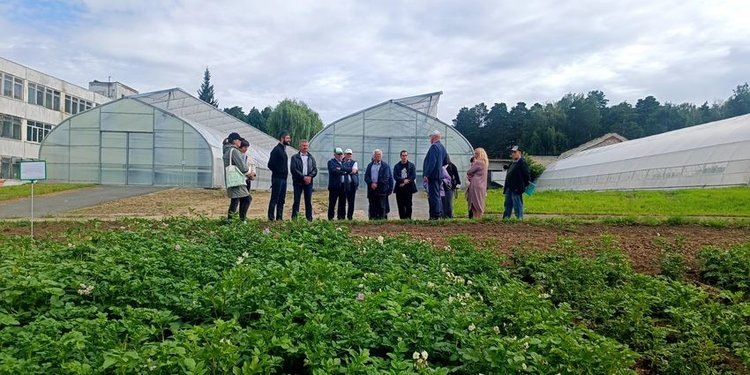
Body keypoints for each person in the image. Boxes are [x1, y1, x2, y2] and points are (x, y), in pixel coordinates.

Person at [223, 132, 251, 222]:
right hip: (236, 180)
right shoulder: (234, 151)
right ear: (235, 141)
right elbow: (243, 167)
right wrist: (249, 173)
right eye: (239, 140)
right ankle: (241, 220)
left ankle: (230, 221)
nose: (240, 142)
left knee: (235, 200)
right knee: (247, 198)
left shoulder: (226, 150)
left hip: (231, 179)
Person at [423, 130, 449, 220]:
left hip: (433, 176)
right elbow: (446, 160)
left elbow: (432, 162)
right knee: (438, 195)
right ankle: (439, 214)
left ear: (434, 137)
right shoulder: (442, 147)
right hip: (439, 175)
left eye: (431, 137)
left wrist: (427, 174)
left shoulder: (434, 147)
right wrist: (439, 166)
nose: (430, 139)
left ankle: (436, 215)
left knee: (434, 196)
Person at [290, 139, 317, 221]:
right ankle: (294, 219)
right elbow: (293, 169)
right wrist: (303, 177)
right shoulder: (294, 157)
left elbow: (315, 169)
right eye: (304, 146)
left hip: (309, 182)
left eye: (306, 146)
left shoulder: (311, 158)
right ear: (300, 147)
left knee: (308, 201)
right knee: (296, 201)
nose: (305, 147)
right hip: (298, 181)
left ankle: (309, 219)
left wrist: (310, 177)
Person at [267, 130, 290, 221]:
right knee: (275, 198)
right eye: (287, 138)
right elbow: (270, 164)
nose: (289, 140)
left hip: (284, 179)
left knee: (281, 198)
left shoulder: (283, 150)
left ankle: (279, 217)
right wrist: (279, 171)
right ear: (282, 138)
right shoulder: (276, 150)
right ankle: (271, 217)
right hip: (277, 178)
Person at [364, 149, 393, 220]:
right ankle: (372, 221)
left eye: (380, 155)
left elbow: (386, 178)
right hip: (372, 190)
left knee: (382, 207)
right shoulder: (370, 165)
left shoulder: (385, 166)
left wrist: (377, 184)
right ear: (374, 156)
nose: (379, 156)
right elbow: (366, 176)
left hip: (382, 191)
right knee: (372, 207)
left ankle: (381, 221)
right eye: (377, 155)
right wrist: (371, 183)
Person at [503, 145, 531, 219]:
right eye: (512, 152)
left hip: (517, 187)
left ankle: (519, 218)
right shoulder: (512, 163)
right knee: (507, 203)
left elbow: (527, 176)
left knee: (517, 203)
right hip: (509, 186)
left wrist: (522, 185)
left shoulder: (522, 162)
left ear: (519, 153)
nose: (513, 154)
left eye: (515, 152)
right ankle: (506, 218)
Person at [393, 150, 417, 220]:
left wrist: (405, 182)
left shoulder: (411, 166)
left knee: (408, 204)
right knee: (400, 205)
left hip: (409, 188)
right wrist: (403, 180)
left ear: (407, 156)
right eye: (403, 156)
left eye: (405, 155)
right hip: (399, 188)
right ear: (400, 156)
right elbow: (395, 176)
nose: (404, 157)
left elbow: (413, 176)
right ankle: (402, 219)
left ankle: (408, 219)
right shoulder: (397, 166)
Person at [466, 148, 488, 219]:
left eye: (476, 153)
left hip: (475, 184)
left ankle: (477, 217)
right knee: (480, 200)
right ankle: (478, 217)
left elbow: (469, 171)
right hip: (482, 185)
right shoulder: (485, 162)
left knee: (475, 201)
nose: (474, 155)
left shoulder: (479, 162)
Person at [327, 147, 347, 220]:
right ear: (334, 154)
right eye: (338, 154)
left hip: (343, 186)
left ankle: (341, 217)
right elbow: (333, 171)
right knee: (332, 203)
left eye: (341, 154)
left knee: (342, 203)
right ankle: (330, 218)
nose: (340, 155)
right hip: (334, 186)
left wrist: (340, 169)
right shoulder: (331, 162)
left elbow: (348, 170)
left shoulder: (344, 162)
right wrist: (343, 171)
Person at [239, 138, 256, 210]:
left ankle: (242, 216)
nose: (246, 149)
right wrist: (248, 174)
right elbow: (241, 168)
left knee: (245, 199)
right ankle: (242, 217)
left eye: (247, 147)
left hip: (248, 180)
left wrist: (253, 174)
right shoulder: (238, 156)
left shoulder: (248, 156)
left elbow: (252, 165)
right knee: (245, 199)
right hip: (241, 180)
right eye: (244, 147)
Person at [342, 148, 359, 220]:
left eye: (350, 154)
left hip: (351, 185)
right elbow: (340, 168)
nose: (349, 155)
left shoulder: (354, 162)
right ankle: (341, 217)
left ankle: (350, 217)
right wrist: (349, 170)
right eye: (347, 154)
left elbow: (354, 171)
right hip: (342, 185)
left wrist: (343, 170)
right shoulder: (341, 161)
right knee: (342, 202)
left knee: (351, 202)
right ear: (344, 154)